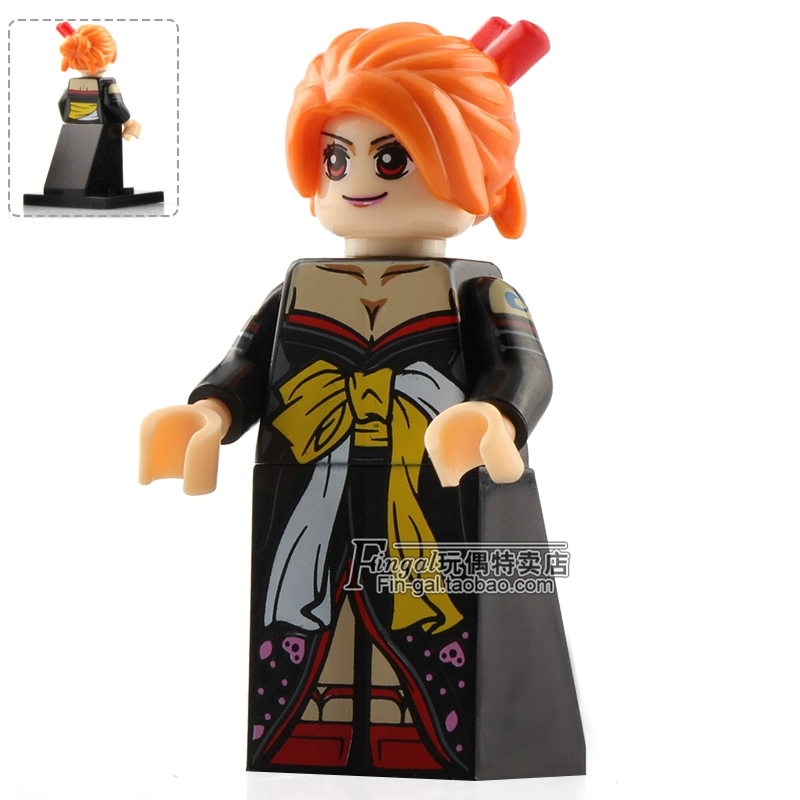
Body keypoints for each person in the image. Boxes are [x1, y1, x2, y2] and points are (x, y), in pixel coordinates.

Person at [140, 20, 582, 779]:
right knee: (310, 605)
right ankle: (310, 726)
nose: (356, 179)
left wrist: (494, 415)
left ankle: (428, 730)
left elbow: (525, 368)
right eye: (335, 156)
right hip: (306, 482)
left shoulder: (479, 289)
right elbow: (247, 364)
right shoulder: (297, 288)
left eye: (393, 156)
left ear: (474, 172)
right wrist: (209, 414)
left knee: (426, 615)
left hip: (435, 484)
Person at [24, 22, 162, 208]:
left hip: (75, 127)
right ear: (111, 54)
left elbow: (62, 103)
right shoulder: (108, 85)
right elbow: (114, 105)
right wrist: (128, 122)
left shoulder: (72, 85)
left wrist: (70, 119)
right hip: (102, 127)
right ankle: (104, 186)